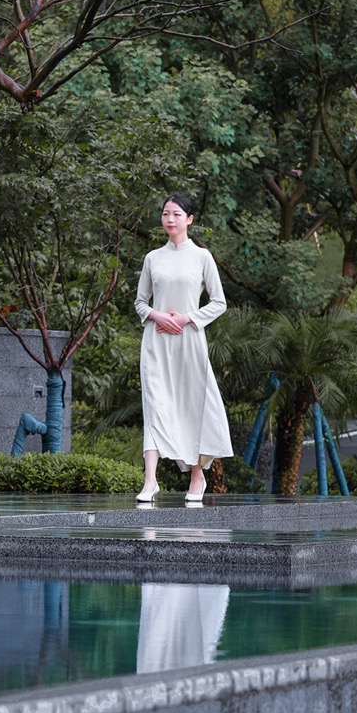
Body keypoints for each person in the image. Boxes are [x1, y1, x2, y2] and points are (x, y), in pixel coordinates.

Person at [134, 192, 233, 505]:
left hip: (190, 341)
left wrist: (189, 318)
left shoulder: (202, 257)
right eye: (166, 214)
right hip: (156, 342)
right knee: (154, 405)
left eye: (176, 214)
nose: (170, 219)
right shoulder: (152, 258)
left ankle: (196, 475)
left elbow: (219, 302)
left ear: (189, 219)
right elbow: (140, 302)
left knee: (193, 407)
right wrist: (157, 315)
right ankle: (150, 480)